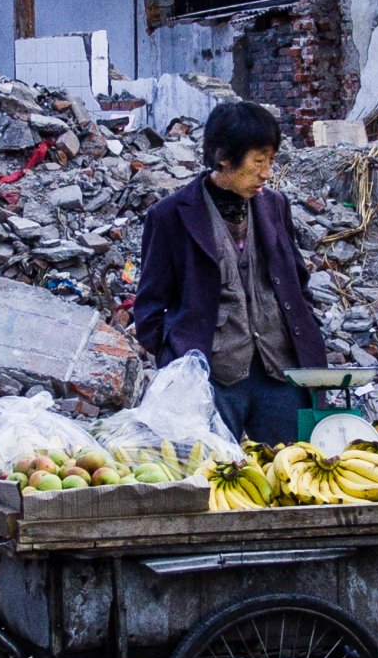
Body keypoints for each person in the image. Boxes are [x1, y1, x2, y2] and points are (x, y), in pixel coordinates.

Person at [133, 100, 328, 446]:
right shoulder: (170, 216)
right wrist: (176, 355)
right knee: (213, 470)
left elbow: (298, 283)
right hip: (213, 379)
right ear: (223, 156)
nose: (267, 173)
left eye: (271, 160)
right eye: (258, 160)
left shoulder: (275, 206)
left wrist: (305, 325)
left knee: (298, 464)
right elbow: (149, 308)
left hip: (280, 373)